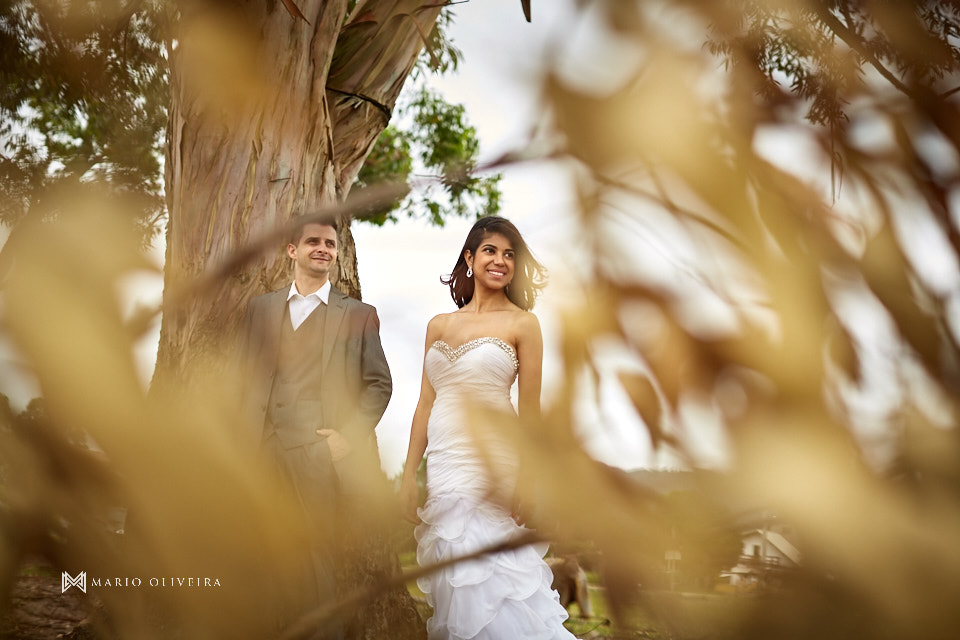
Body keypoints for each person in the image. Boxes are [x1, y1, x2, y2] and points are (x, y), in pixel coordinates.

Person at [399, 216, 576, 640]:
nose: (500, 261)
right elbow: (425, 403)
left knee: (495, 579)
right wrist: (408, 473)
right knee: (456, 578)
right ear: (469, 257)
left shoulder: (523, 324)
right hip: (443, 466)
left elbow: (529, 411)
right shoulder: (439, 326)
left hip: (494, 463)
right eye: (491, 251)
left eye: (510, 254)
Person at [239, 215, 392, 639]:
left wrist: (347, 437)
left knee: (315, 563)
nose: (323, 248)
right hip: (260, 448)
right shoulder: (261, 308)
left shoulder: (358, 314)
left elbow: (379, 384)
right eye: (313, 242)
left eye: (330, 243)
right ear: (293, 250)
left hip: (317, 454)